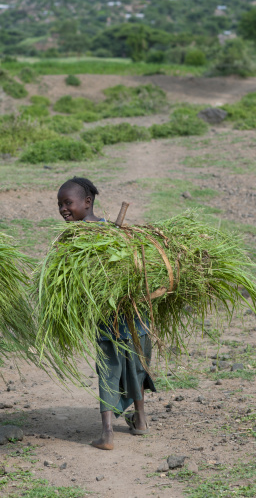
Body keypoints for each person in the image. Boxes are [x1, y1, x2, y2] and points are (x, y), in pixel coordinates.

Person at [57, 177, 156, 450]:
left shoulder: (73, 239)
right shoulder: (114, 231)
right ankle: (141, 420)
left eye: (68, 203)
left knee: (109, 367)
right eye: (60, 205)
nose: (63, 209)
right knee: (138, 363)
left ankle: (108, 432)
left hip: (107, 316)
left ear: (87, 202)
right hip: (136, 312)